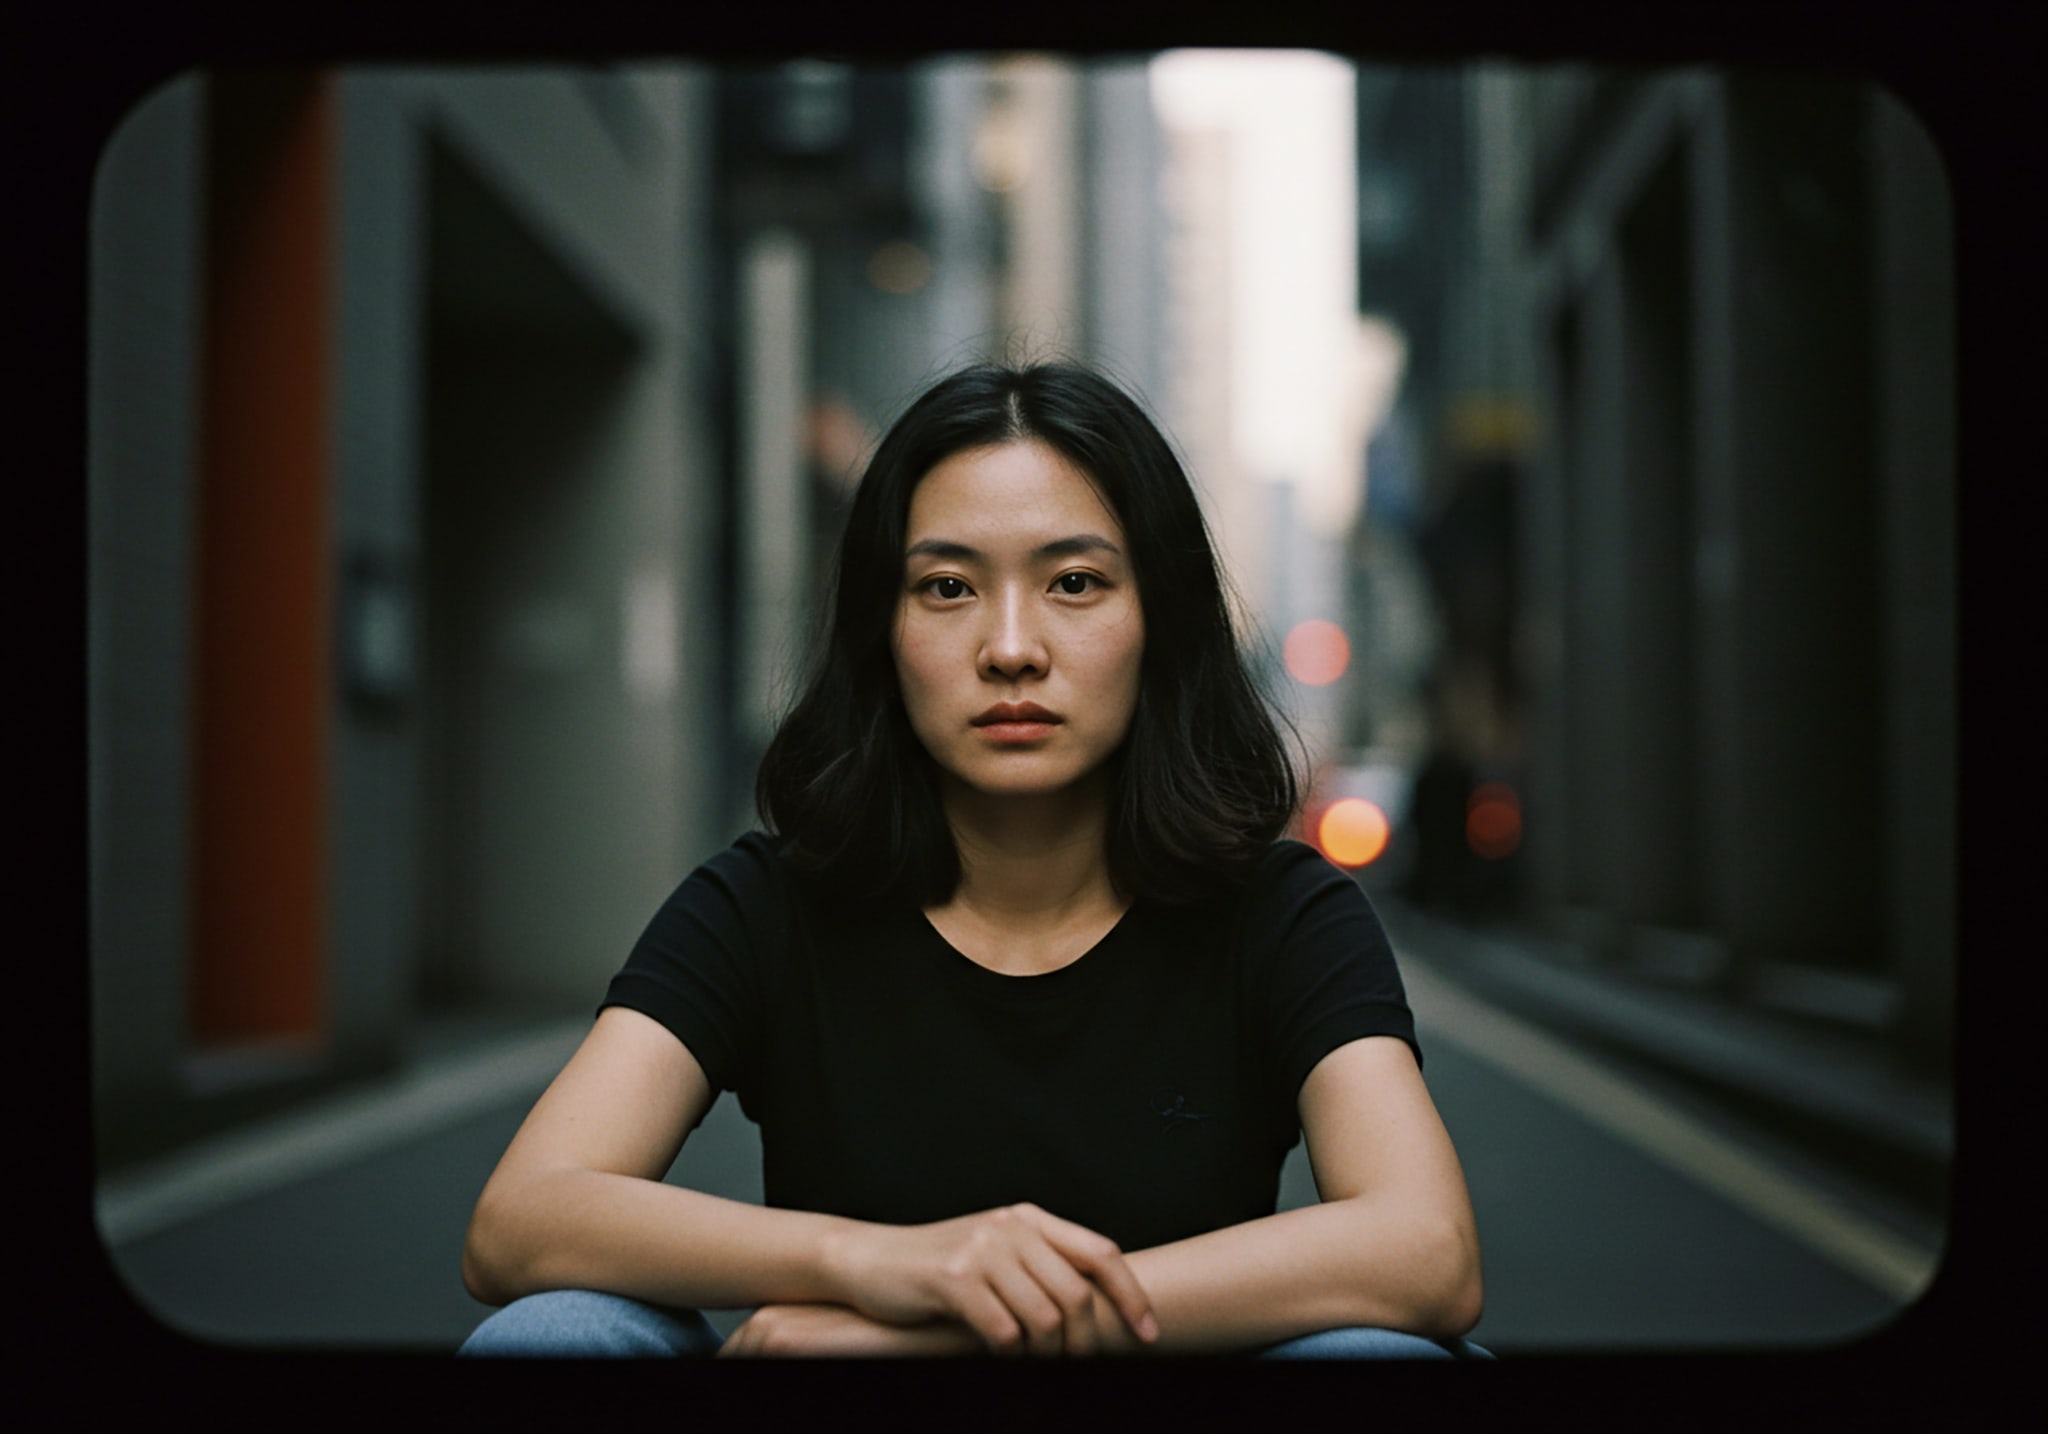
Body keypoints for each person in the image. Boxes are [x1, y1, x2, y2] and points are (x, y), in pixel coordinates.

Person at [458, 363, 1488, 1358]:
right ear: (883, 631)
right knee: (554, 1335)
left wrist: (954, 1332)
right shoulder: (767, 903)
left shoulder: (1279, 913)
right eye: (947, 587)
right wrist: (881, 1264)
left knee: (1372, 1353)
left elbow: (1425, 1250)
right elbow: (521, 1221)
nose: (1009, 647)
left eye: (1073, 583)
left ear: (1157, 623)